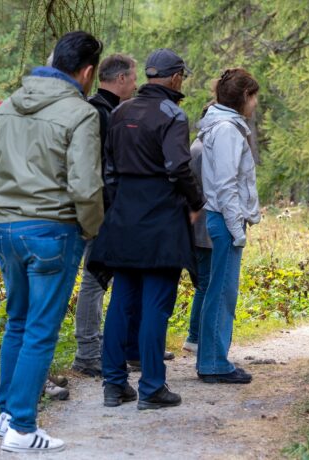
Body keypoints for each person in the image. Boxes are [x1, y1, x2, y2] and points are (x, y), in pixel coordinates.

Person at [0, 31, 103, 453]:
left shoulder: (8, 105)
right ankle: (21, 427)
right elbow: (86, 187)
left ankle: (6, 415)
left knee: (17, 321)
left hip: (7, 228)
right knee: (40, 329)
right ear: (87, 72)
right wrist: (89, 228)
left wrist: (2, 212)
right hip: (53, 230)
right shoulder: (81, 113)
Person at [88, 48, 204, 410]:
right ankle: (153, 387)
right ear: (173, 78)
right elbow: (177, 167)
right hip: (161, 218)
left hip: (123, 217)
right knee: (156, 302)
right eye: (181, 76)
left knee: (122, 299)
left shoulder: (120, 111)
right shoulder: (173, 114)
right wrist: (196, 203)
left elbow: (108, 170)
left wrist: (115, 208)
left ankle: (114, 384)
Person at [71, 53, 141, 378]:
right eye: (134, 77)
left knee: (106, 277)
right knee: (94, 279)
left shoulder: (109, 110)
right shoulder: (99, 113)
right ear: (122, 78)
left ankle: (112, 346)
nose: (137, 83)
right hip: (100, 209)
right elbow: (97, 165)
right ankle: (87, 352)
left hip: (107, 207)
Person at [196, 68, 260, 384]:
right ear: (244, 97)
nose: (256, 104)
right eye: (254, 97)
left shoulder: (227, 127)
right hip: (224, 220)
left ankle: (212, 359)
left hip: (223, 219)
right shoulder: (226, 130)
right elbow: (226, 185)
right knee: (222, 292)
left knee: (219, 291)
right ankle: (213, 363)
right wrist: (237, 230)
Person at [182, 107, 214, 355]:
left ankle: (197, 335)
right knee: (205, 284)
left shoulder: (197, 147)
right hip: (202, 229)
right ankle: (195, 336)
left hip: (199, 228)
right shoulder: (202, 150)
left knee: (203, 283)